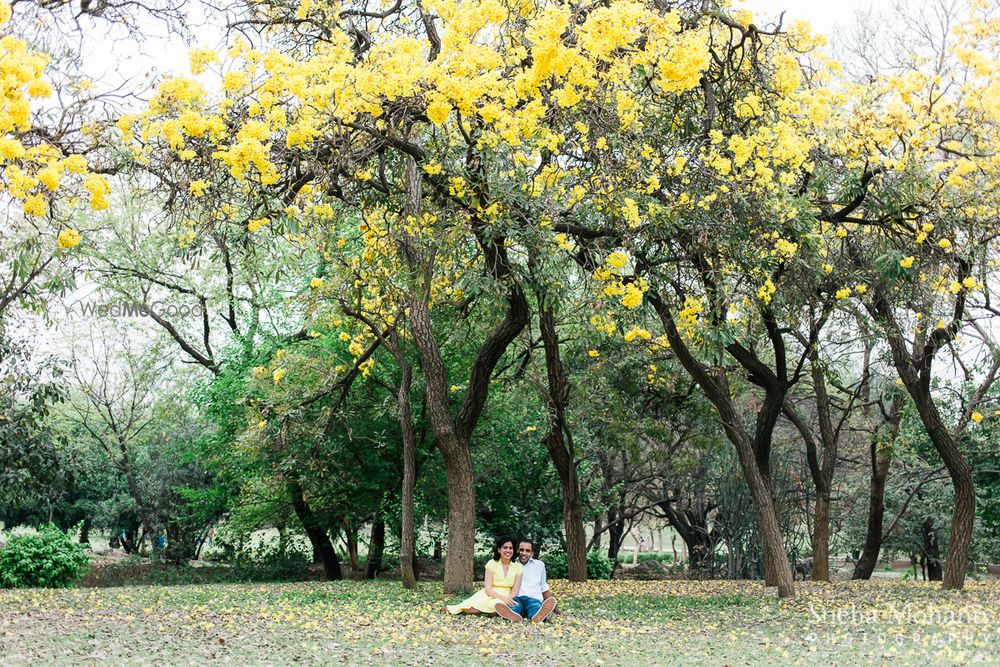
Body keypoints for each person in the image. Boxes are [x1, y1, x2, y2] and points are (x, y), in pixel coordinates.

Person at [445, 536, 524, 621]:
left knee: (498, 605)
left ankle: (495, 611)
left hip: (507, 594)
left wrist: (508, 599)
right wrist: (502, 598)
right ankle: (490, 612)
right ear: (499, 550)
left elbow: (515, 590)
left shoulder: (518, 567)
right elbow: (488, 589)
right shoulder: (492, 563)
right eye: (505, 548)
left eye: (510, 548)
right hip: (490, 593)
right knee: (469, 608)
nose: (508, 550)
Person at [509, 539, 557, 623]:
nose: (524, 553)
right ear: (517, 550)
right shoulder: (511, 565)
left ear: (532, 553)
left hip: (533, 598)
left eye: (527, 551)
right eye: (521, 550)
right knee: (514, 607)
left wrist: (557, 610)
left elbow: (543, 587)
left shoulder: (539, 565)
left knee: (535, 607)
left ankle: (537, 616)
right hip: (516, 598)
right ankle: (512, 615)